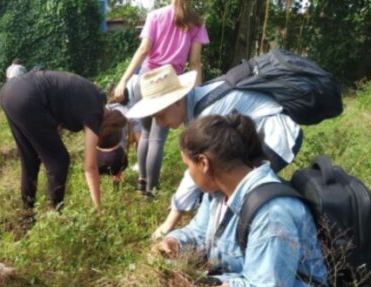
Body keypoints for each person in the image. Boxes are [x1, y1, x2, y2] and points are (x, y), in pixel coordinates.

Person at [154, 113, 331, 287]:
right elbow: (199, 233)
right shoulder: (219, 193)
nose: (187, 173)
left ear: (204, 163)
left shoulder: (272, 214)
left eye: (187, 165)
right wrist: (175, 241)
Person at [125, 64, 304, 240]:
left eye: (160, 115)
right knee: (218, 182)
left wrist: (170, 221)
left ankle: (252, 235)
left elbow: (194, 172)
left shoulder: (207, 113)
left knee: (237, 185)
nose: (159, 123)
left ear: (176, 101)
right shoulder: (196, 103)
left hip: (277, 137)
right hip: (254, 137)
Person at [113, 0, 209, 199]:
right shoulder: (196, 22)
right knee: (156, 139)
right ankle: (151, 191)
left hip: (145, 82)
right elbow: (194, 62)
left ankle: (142, 181)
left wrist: (124, 80)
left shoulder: (155, 16)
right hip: (168, 85)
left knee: (146, 134)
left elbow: (143, 50)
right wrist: (197, 92)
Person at [0, 69, 119, 211]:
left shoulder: (94, 96)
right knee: (59, 161)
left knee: (30, 159)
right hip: (28, 98)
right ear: (103, 130)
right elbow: (90, 167)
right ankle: (56, 213)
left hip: (9, 91)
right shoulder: (95, 115)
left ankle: (27, 212)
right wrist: (98, 207)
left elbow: (59, 104)